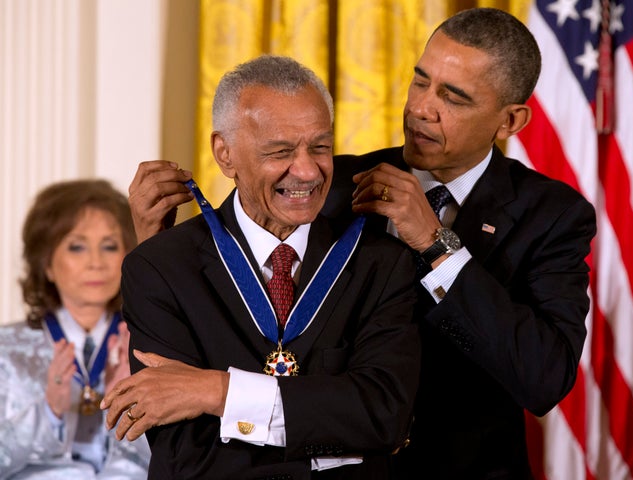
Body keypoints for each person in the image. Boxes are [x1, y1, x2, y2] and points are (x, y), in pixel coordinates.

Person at [120, 8, 597, 479]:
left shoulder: (552, 215)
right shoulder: (329, 180)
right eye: (420, 80)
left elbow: (543, 377)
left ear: (510, 121)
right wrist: (156, 247)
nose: (421, 107)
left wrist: (437, 244)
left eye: (453, 97)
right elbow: (229, 293)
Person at [102, 55, 420, 479]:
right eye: (281, 151)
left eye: (320, 146)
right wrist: (330, 445)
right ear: (225, 154)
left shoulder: (382, 263)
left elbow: (384, 417)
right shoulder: (158, 267)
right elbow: (186, 457)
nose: (307, 170)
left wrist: (217, 392)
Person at [0, 179, 150, 479]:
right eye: (77, 247)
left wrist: (135, 405)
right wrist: (48, 412)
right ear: (47, 264)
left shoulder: (148, 345)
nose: (96, 263)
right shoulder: (7, 349)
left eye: (109, 246)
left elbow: (179, 460)